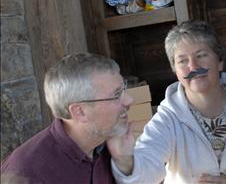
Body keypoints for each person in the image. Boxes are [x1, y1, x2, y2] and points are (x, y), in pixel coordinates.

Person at [108, 20, 226, 183]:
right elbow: (147, 166)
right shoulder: (168, 117)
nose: (193, 67)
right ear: (175, 70)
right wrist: (126, 161)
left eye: (201, 55)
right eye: (183, 60)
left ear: (220, 61)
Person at [1, 53, 133, 183]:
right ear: (80, 111)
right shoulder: (25, 174)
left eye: (123, 89)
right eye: (117, 94)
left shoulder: (110, 144)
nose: (129, 100)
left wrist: (124, 162)